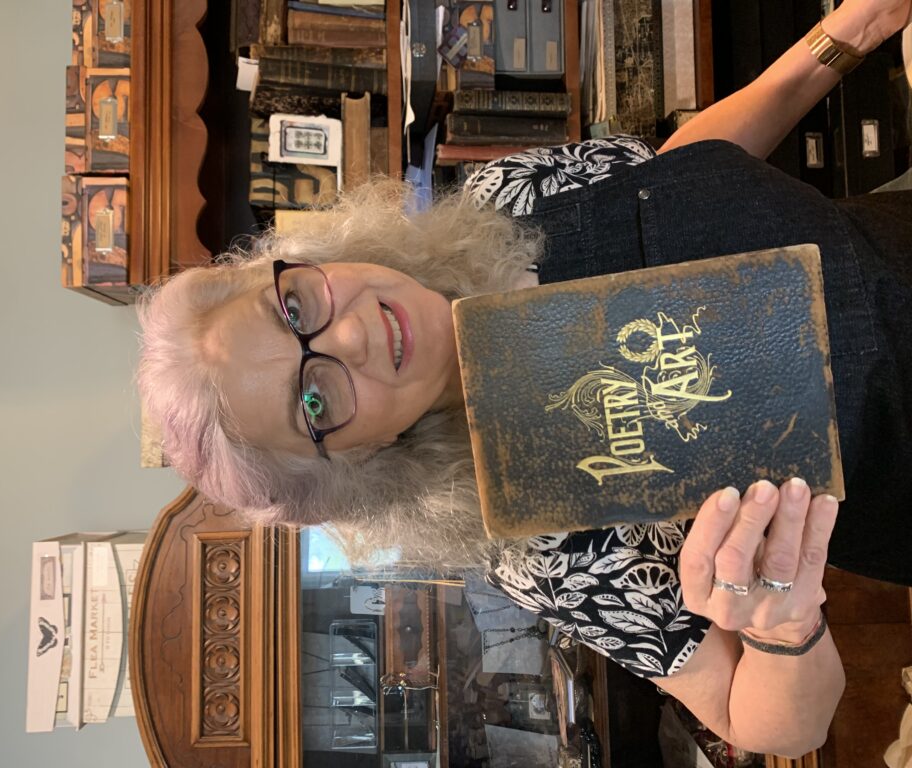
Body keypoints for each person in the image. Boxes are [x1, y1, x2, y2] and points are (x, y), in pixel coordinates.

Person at [137, 0, 912, 757]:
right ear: (355, 464)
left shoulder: (508, 199)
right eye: (314, 400)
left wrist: (850, 32)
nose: (349, 334)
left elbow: (684, 171)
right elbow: (767, 724)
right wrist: (782, 627)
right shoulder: (544, 544)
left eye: (294, 304)